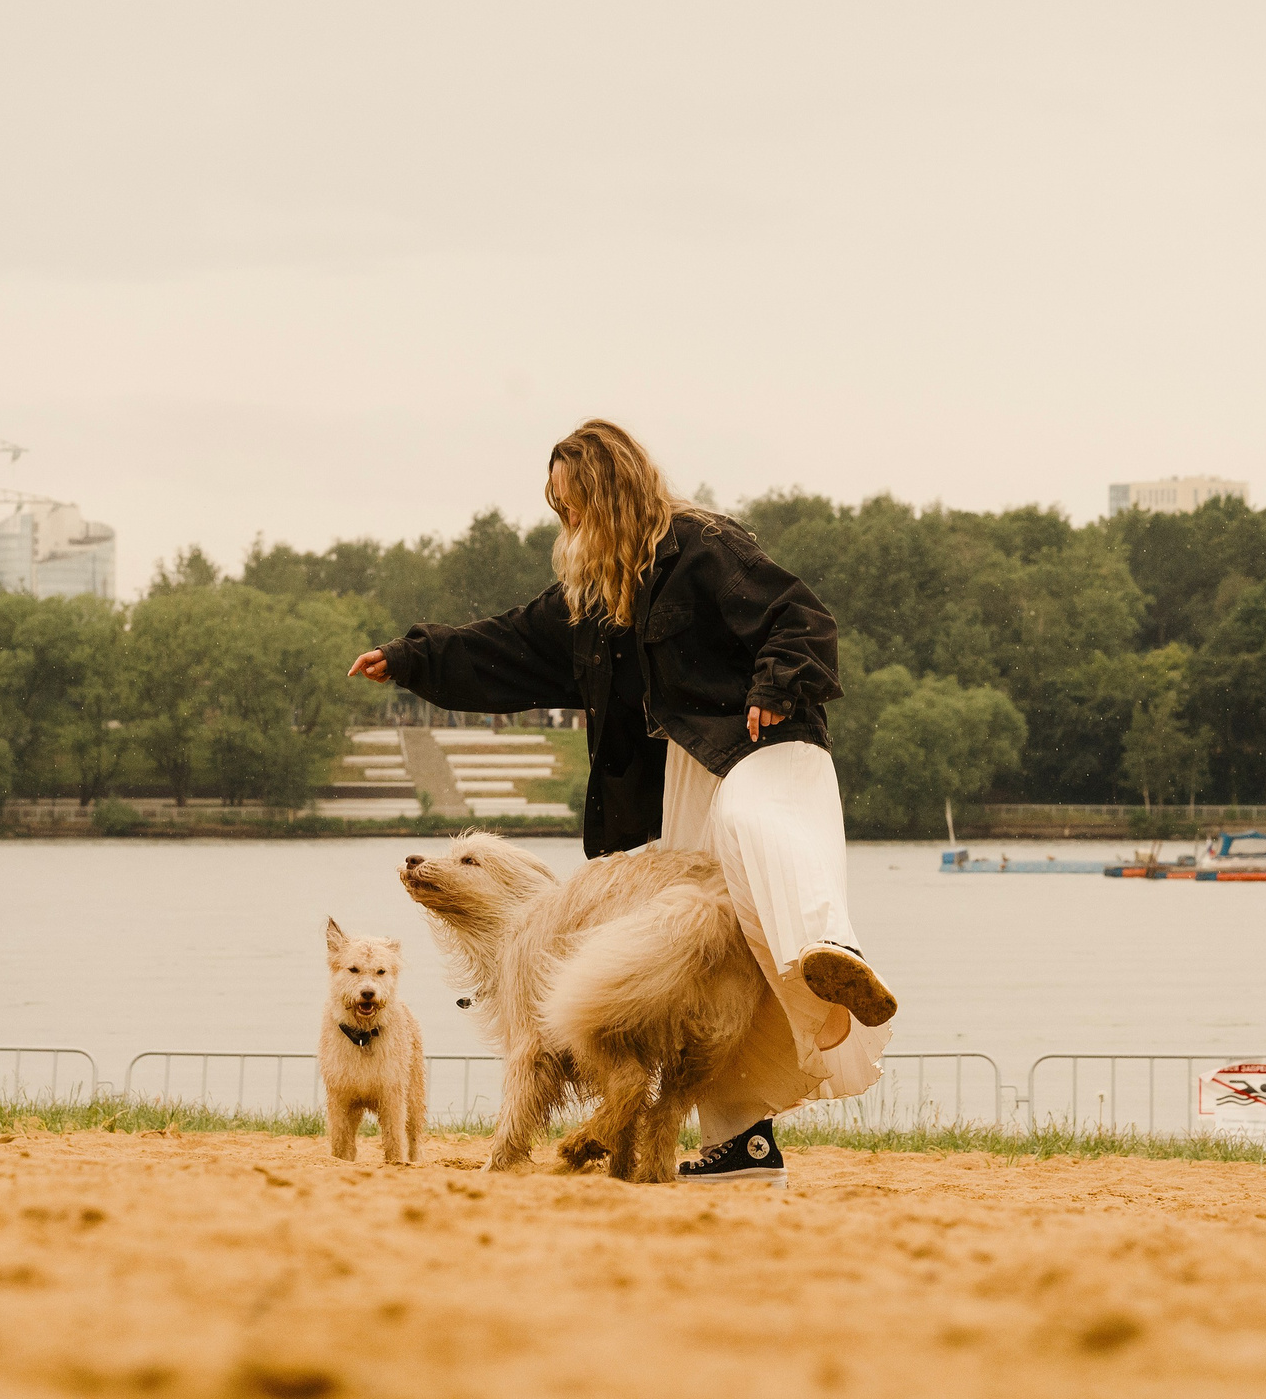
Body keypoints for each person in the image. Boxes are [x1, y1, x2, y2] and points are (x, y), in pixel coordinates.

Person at [349, 420, 896, 1186]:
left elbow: (799, 619)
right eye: (557, 508)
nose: (566, 522)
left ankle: (836, 958)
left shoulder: (703, 547)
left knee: (753, 834)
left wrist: (775, 688)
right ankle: (744, 1141)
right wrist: (413, 658)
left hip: (762, 741)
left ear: (615, 490)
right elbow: (504, 647)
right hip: (683, 772)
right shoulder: (597, 597)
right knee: (711, 956)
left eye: (574, 504)